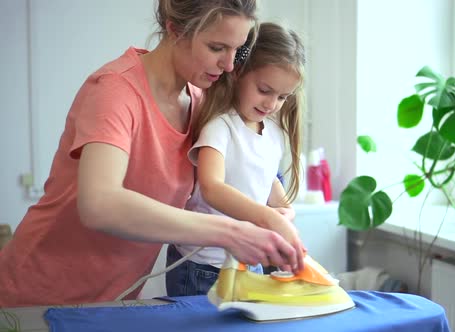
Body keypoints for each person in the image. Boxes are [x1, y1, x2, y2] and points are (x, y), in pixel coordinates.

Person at [0, 0, 301, 308]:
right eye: (216, 47)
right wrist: (231, 232)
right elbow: (99, 204)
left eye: (237, 51)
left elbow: (247, 160)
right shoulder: (116, 92)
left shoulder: (200, 100)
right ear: (175, 30)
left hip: (114, 302)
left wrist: (274, 209)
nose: (228, 66)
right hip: (35, 298)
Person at [166, 22, 306, 297]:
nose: (271, 104)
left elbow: (269, 187)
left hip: (247, 263)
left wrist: (285, 214)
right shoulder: (221, 127)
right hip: (204, 266)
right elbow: (212, 187)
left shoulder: (273, 133)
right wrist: (269, 218)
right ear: (238, 72)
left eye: (282, 97)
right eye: (264, 90)